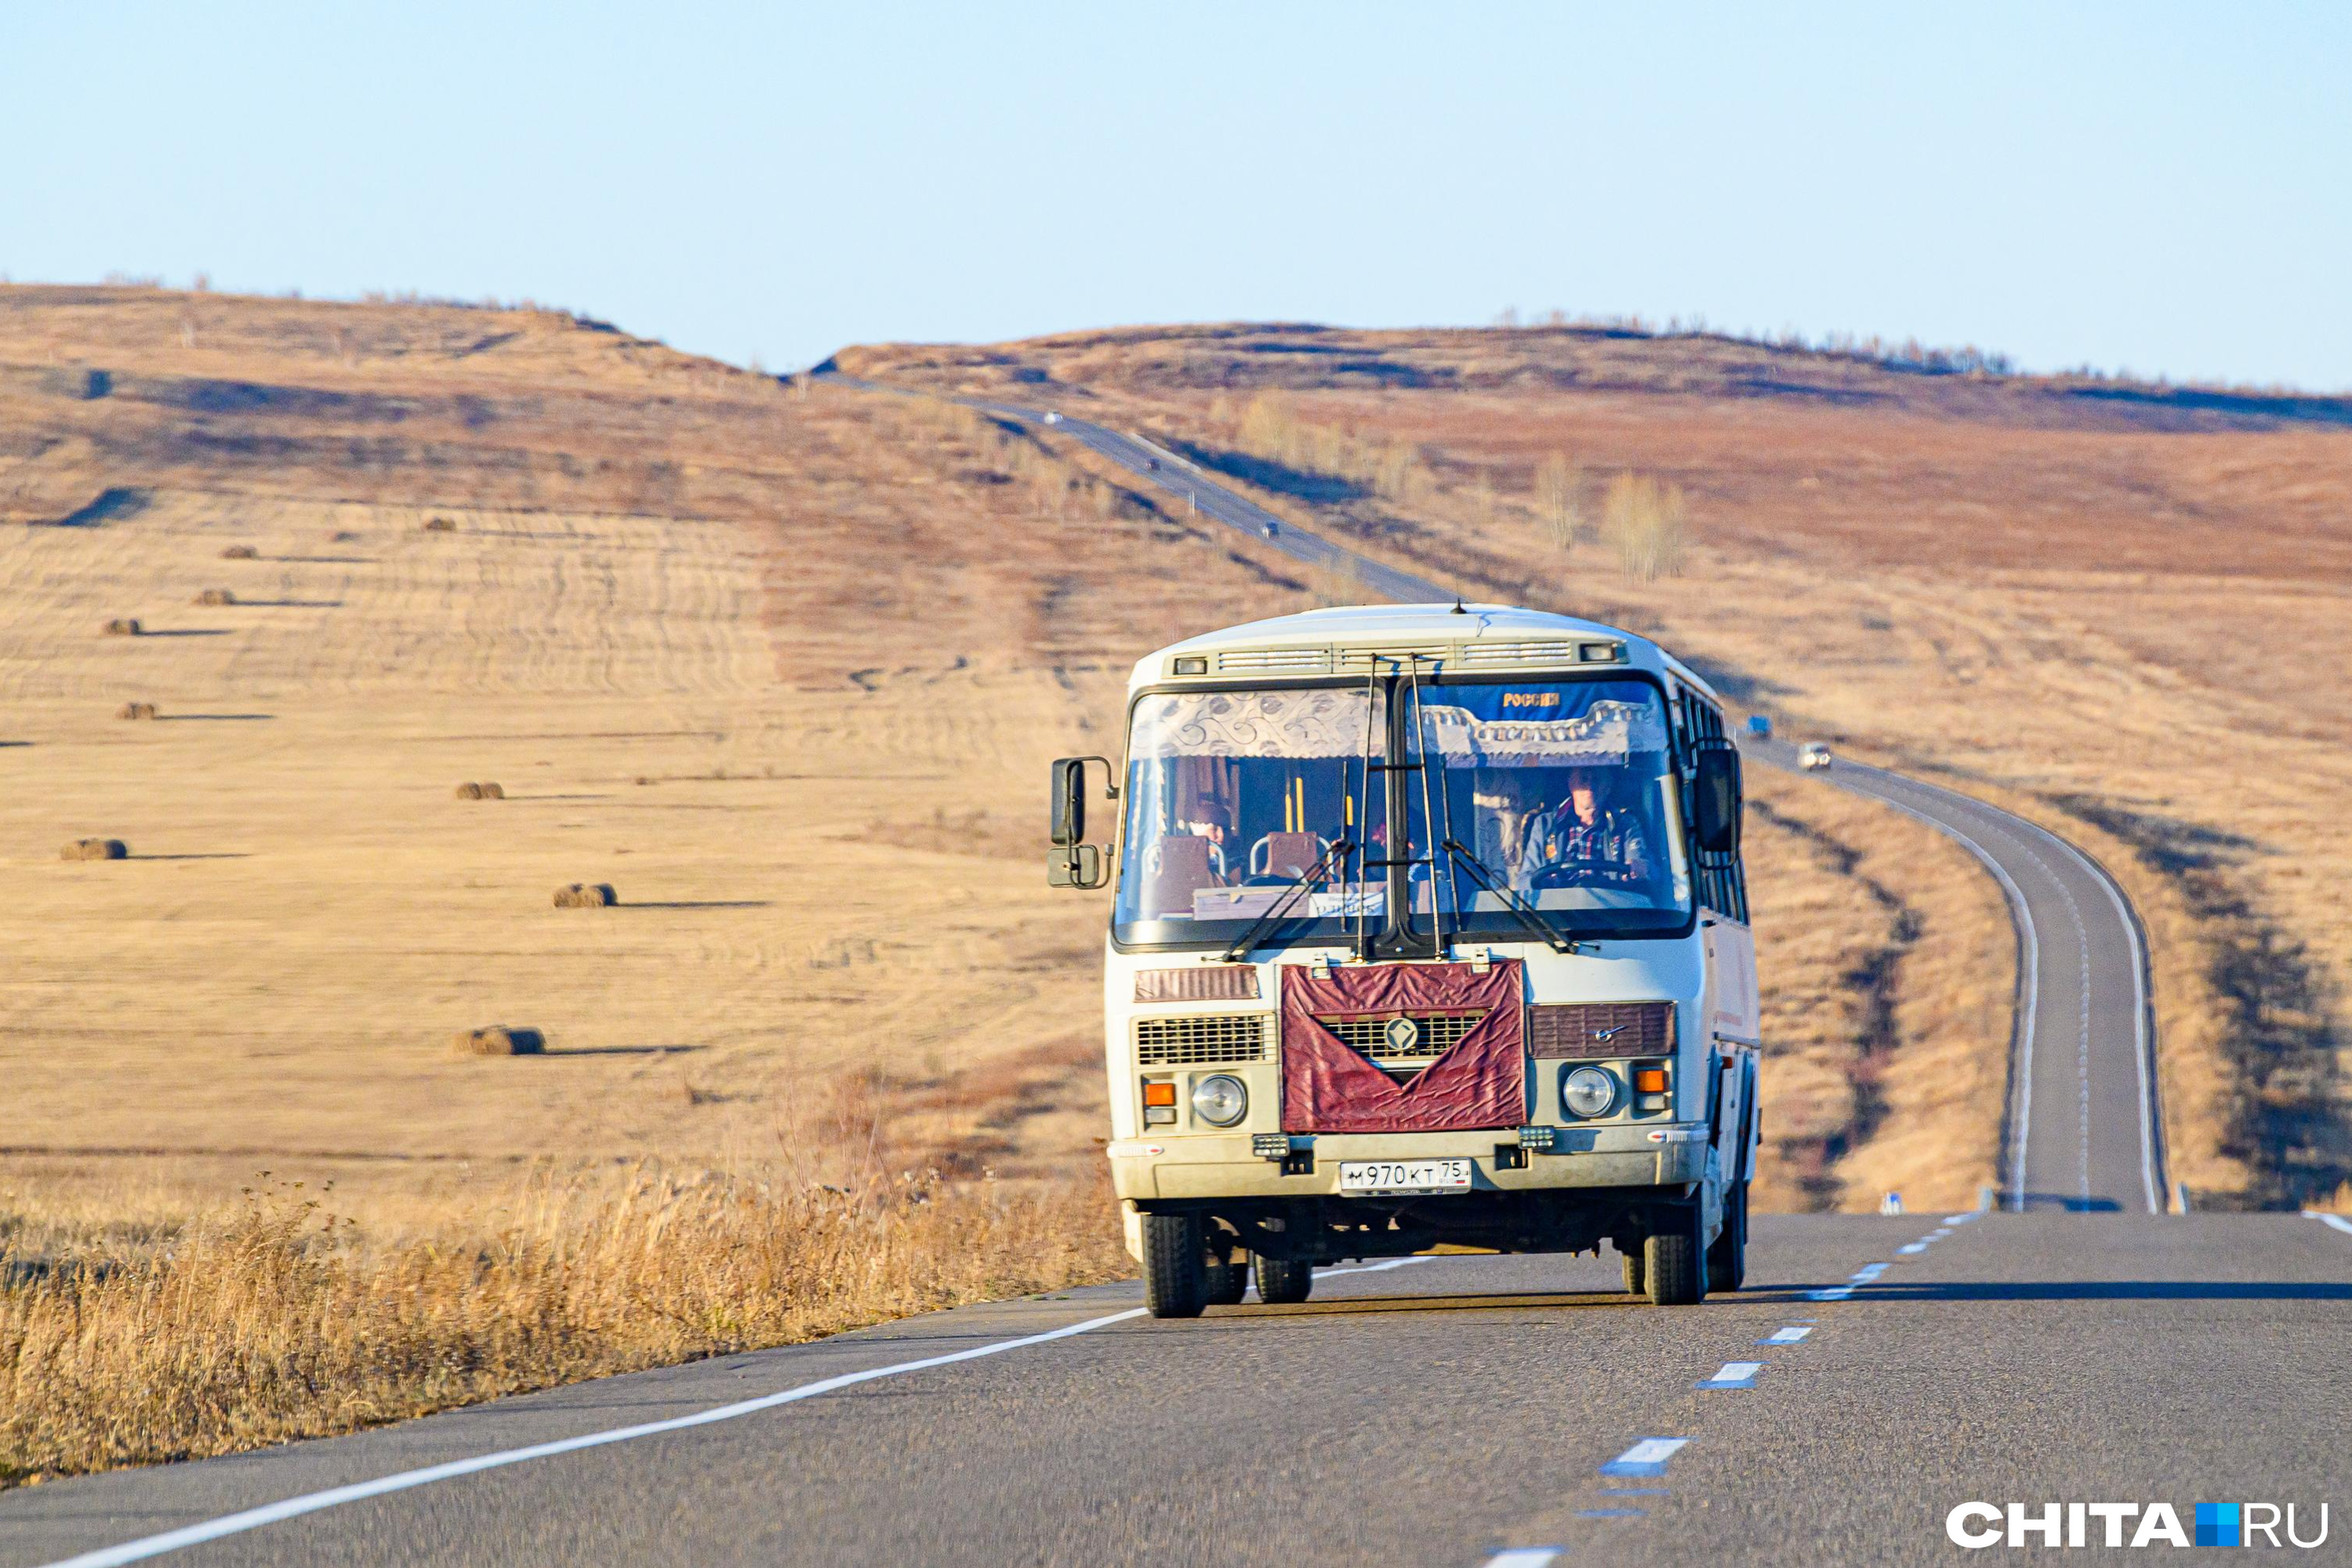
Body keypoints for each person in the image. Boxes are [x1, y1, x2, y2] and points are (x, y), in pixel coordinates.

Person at [1514, 765, 1651, 890]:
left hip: (1610, 911)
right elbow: (1525, 880)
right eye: (1583, 779)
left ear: (1609, 785)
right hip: (1556, 912)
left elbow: (1644, 865)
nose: (1590, 785)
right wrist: (1544, 881)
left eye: (1597, 779)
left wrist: (1638, 867)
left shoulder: (1626, 825)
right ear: (1570, 783)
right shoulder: (1544, 825)